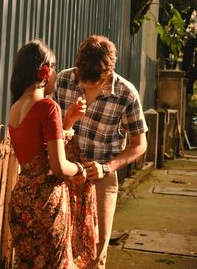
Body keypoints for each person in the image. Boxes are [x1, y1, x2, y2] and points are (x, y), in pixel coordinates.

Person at [56, 35, 148, 268]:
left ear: (109, 72)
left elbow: (140, 144)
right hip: (63, 174)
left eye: (93, 82)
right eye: (82, 78)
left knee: (96, 251)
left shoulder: (127, 93)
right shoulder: (63, 80)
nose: (85, 86)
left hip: (101, 177)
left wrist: (107, 167)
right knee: (60, 244)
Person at [8, 39, 97, 268]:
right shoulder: (48, 107)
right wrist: (79, 169)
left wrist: (67, 123)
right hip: (46, 204)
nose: (56, 74)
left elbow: (37, 149)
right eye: (54, 68)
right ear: (43, 72)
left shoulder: (15, 108)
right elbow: (58, 167)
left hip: (21, 200)